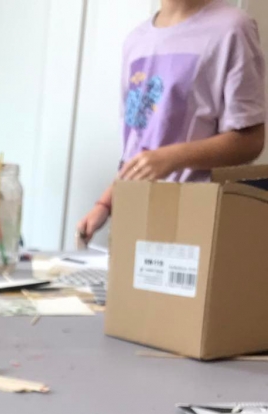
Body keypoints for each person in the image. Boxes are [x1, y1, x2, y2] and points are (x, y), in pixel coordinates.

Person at [77, 0, 265, 244]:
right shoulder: (136, 41)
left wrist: (173, 158)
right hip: (136, 214)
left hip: (195, 220)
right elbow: (138, 146)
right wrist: (104, 203)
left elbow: (251, 140)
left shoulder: (232, 28)